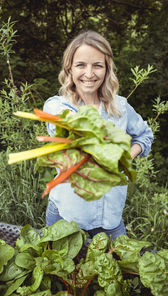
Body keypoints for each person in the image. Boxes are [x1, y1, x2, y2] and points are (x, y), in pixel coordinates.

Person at [43, 30, 153, 240]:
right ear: (70, 68)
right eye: (81, 65)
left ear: (107, 68)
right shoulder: (58, 106)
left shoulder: (120, 106)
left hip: (109, 219)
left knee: (118, 271)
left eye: (97, 65)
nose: (89, 73)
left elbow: (144, 135)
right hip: (66, 217)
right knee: (61, 271)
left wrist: (127, 157)